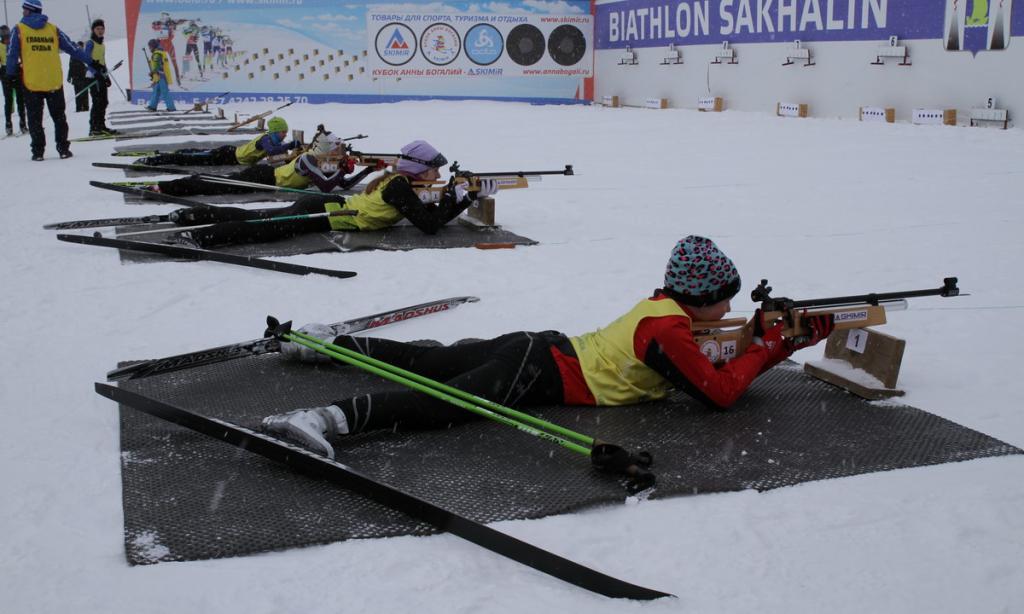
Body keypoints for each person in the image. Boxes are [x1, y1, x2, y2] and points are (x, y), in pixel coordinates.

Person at [260, 236, 836, 458]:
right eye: (724, 302)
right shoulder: (669, 332)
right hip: (540, 371)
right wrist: (771, 347)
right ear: (701, 297)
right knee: (442, 399)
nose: (730, 313)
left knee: (429, 356)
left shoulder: (661, 309)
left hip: (536, 348)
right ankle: (323, 420)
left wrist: (770, 342)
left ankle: (328, 345)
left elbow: (711, 359)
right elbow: (719, 395)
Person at [163, 139, 500, 248]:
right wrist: (464, 200)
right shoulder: (400, 187)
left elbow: (429, 211)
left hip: (330, 206)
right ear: (417, 169)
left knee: (261, 219)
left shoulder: (404, 183)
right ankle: (198, 234)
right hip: (328, 211)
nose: (438, 175)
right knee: (263, 228)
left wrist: (458, 196)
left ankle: (194, 215)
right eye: (434, 169)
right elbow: (429, 225)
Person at [4, 0, 100, 160]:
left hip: (32, 81)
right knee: (59, 117)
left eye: (24, 9)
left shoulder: (19, 29)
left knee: (35, 119)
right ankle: (63, 149)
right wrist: (91, 62)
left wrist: (10, 74)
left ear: (30, 10)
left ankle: (38, 152)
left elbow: (12, 55)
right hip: (53, 80)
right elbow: (73, 48)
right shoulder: (53, 29)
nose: (22, 12)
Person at [154, 132, 364, 197]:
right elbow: (326, 186)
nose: (340, 153)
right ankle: (167, 187)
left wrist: (371, 169)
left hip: (264, 176)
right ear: (326, 149)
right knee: (216, 184)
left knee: (219, 184)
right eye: (337, 149)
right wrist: (342, 169)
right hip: (261, 177)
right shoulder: (308, 159)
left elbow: (343, 185)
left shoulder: (320, 160)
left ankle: (171, 185)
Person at [137, 116, 297, 167]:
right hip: (227, 155)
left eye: (286, 132)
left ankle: (174, 154)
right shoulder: (266, 138)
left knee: (197, 155)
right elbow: (270, 152)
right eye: (284, 132)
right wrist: (290, 145)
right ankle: (155, 159)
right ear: (276, 131)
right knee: (192, 159)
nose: (285, 135)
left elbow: (280, 157)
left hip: (230, 154)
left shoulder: (275, 141)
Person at [84, 19, 115, 136]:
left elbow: (102, 61)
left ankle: (101, 126)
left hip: (101, 76)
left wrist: (106, 75)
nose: (100, 31)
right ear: (93, 30)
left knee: (104, 102)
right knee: (97, 102)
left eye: (102, 29)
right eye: (98, 29)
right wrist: (95, 73)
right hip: (93, 77)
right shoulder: (90, 43)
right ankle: (94, 127)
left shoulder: (102, 44)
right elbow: (86, 60)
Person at [0, 24, 29, 135]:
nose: (7, 40)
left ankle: (23, 124)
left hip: (16, 71)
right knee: (8, 100)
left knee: (21, 100)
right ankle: (8, 125)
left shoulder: (14, 43)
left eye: (8, 37)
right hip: (5, 72)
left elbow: (22, 56)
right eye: (5, 38)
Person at [146, 38, 176, 111]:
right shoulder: (160, 52)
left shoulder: (157, 54)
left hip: (161, 76)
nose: (150, 48)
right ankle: (152, 106)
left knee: (164, 92)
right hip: (159, 76)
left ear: (153, 46)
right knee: (156, 91)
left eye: (150, 47)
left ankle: (171, 108)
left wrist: (152, 72)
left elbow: (157, 65)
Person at [66, 41, 89, 112]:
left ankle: (86, 108)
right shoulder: (73, 55)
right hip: (76, 78)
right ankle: (78, 108)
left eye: (81, 46)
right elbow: (71, 67)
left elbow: (88, 65)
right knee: (78, 94)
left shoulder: (85, 55)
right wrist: (69, 76)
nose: (79, 48)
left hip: (84, 77)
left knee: (85, 93)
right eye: (78, 46)